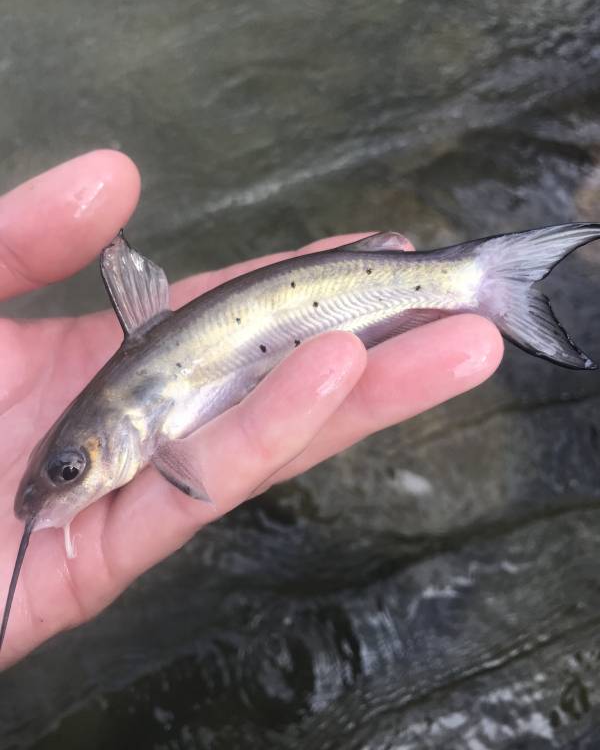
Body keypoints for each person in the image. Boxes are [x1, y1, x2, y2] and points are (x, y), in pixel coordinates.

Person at [0, 150, 503, 669]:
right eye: (68, 471)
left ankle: (475, 280)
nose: (67, 479)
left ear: (126, 424)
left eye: (70, 469)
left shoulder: (146, 426)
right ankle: (476, 280)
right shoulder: (126, 428)